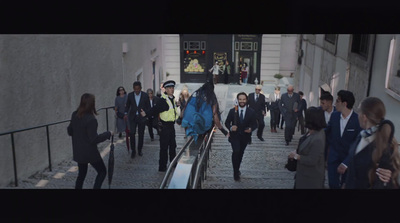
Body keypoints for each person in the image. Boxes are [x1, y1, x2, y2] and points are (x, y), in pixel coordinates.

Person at [345, 97, 400, 189]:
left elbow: (385, 182)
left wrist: (388, 178)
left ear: (364, 117)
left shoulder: (384, 146)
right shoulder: (361, 136)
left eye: (359, 111)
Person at [67, 93, 113, 189]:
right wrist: (108, 134)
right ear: (91, 104)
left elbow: (70, 131)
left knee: (81, 175)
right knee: (102, 172)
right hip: (90, 153)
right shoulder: (91, 119)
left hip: (78, 151)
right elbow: (94, 139)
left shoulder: (74, 114)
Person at [325, 90, 362, 189]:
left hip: (348, 161)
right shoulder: (334, 116)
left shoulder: (357, 120)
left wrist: (346, 163)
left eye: (337, 101)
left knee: (346, 185)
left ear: (344, 104)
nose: (335, 103)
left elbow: (358, 143)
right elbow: (327, 132)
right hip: (333, 159)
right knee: (332, 185)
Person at [288, 107, 327, 189]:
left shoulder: (318, 138)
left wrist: (296, 156)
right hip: (302, 174)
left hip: (310, 178)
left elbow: (312, 160)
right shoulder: (311, 132)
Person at [147, 80, 179, 172]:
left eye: (172, 88)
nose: (172, 89)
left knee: (173, 146)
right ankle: (162, 166)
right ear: (165, 89)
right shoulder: (163, 100)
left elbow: (173, 112)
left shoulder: (172, 99)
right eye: (169, 88)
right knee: (164, 147)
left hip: (171, 126)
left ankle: (173, 163)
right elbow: (155, 109)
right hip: (164, 127)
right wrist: (146, 113)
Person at [225, 92, 257, 181]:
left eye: (243, 99)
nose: (242, 101)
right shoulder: (232, 111)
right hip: (234, 137)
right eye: (240, 99)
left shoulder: (251, 111)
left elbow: (255, 124)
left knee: (240, 153)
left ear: (246, 100)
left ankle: (237, 169)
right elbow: (227, 122)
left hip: (245, 137)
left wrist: (251, 129)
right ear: (237, 100)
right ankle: (235, 172)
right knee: (236, 151)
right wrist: (231, 127)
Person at [124, 81, 151, 158]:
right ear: (133, 89)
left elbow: (148, 107)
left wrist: (146, 114)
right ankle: (133, 151)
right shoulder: (130, 95)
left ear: (140, 88)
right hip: (132, 117)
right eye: (135, 89)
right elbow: (127, 105)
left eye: (138, 89)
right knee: (132, 133)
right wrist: (125, 113)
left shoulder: (145, 95)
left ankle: (139, 150)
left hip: (141, 118)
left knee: (141, 134)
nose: (137, 91)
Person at [319, 92, 336, 162]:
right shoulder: (318, 111)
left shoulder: (338, 113)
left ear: (329, 102)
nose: (321, 105)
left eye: (323, 103)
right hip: (322, 141)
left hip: (333, 142)